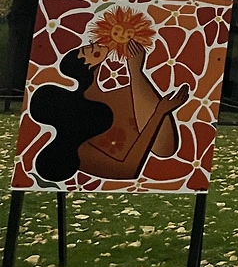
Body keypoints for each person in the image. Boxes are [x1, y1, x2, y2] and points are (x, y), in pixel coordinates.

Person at [29, 40, 189, 182]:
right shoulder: (80, 150)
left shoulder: (120, 96)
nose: (93, 45)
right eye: (86, 50)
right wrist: (159, 112)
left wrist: (136, 74)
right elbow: (129, 170)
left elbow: (164, 148)